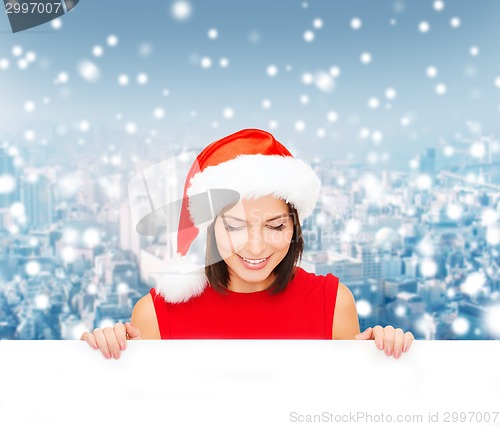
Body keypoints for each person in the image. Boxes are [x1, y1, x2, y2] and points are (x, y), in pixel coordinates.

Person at [81, 128, 414, 359]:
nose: (255, 248)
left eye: (275, 225)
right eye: (236, 226)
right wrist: (101, 357)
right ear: (211, 228)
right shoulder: (156, 314)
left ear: (294, 227)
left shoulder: (333, 305)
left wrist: (383, 356)